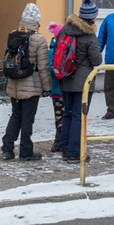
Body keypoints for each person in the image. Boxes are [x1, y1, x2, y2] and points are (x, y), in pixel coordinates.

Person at [1, 3, 51, 161]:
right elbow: (43, 66)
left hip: (14, 83)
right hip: (31, 85)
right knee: (27, 119)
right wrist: (47, 87)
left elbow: (6, 57)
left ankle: (7, 149)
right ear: (37, 21)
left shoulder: (12, 35)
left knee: (15, 115)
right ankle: (26, 151)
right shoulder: (39, 39)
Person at [57, 0, 103, 163]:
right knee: (79, 116)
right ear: (91, 18)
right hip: (83, 82)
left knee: (68, 113)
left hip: (66, 79)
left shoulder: (65, 30)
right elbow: (97, 60)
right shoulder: (89, 35)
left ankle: (65, 147)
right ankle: (74, 153)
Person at [47, 21, 65, 152]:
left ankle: (60, 141)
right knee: (60, 118)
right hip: (58, 90)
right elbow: (52, 68)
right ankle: (58, 142)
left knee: (62, 117)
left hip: (60, 90)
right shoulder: (53, 51)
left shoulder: (57, 49)